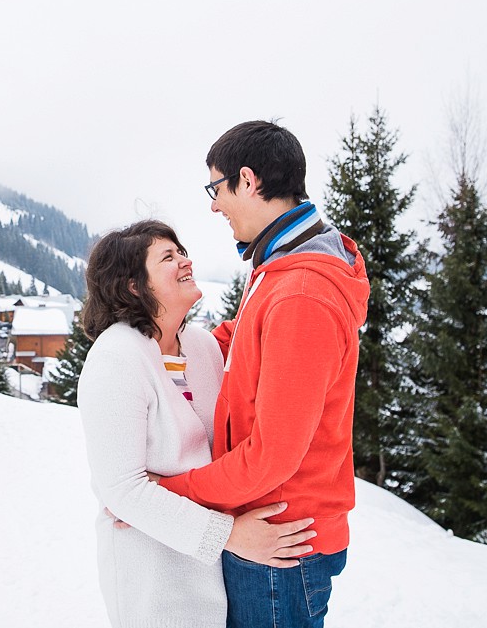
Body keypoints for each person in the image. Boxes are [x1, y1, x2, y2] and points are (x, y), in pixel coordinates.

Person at [155, 121, 369, 628]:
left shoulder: (300, 292)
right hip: (269, 528)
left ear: (247, 181)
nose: (213, 205)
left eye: (216, 188)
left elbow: (271, 457)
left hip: (279, 541)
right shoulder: (284, 262)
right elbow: (248, 333)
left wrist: (166, 497)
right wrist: (163, 343)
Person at [76, 219, 317, 628]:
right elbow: (122, 490)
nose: (185, 261)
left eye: (182, 251)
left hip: (212, 575)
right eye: (168, 257)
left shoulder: (203, 347)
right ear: (134, 285)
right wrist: (230, 535)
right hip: (152, 576)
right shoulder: (115, 359)